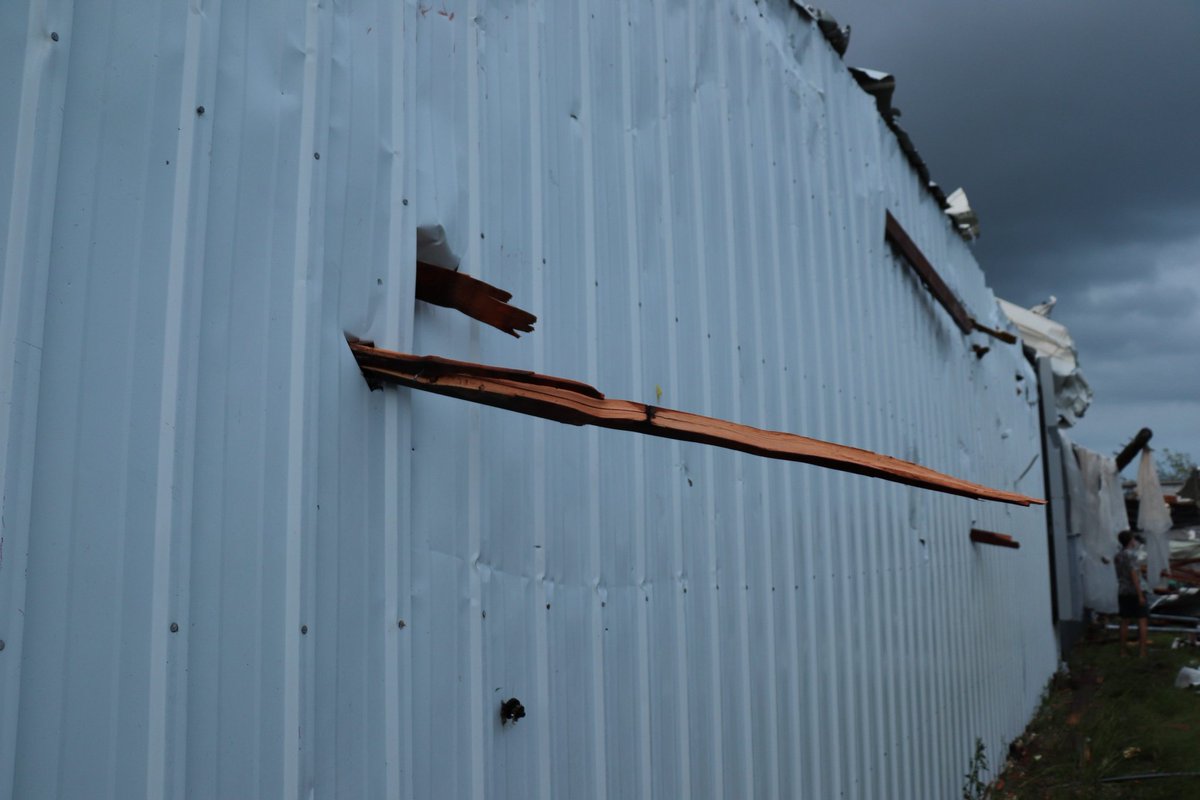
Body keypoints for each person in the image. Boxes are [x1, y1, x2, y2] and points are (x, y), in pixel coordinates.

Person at [1114, 530, 1148, 658]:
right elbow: (1133, 575)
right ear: (1130, 541)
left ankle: (1123, 651)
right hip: (1134, 590)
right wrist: (1140, 594)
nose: (1135, 541)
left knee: (1124, 621)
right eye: (1133, 539)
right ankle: (1142, 651)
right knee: (1142, 621)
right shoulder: (1132, 556)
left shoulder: (1118, 556)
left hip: (1122, 590)